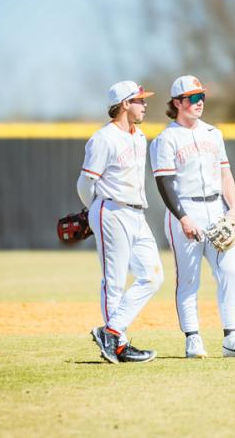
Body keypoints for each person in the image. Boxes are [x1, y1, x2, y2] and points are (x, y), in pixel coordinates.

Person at [149, 75, 235, 358]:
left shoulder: (214, 133)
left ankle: (232, 339)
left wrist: (234, 209)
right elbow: (164, 182)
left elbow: (225, 172)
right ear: (177, 103)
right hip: (186, 210)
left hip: (217, 210)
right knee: (189, 280)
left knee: (230, 273)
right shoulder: (166, 139)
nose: (199, 102)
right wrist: (182, 217)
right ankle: (192, 339)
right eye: (192, 98)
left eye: (202, 97)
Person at [77, 80, 164, 364]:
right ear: (125, 104)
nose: (145, 105)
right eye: (139, 100)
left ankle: (111, 332)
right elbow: (85, 182)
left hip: (137, 213)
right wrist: (93, 211)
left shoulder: (139, 137)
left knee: (153, 276)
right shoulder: (103, 139)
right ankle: (118, 345)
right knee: (114, 283)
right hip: (111, 211)